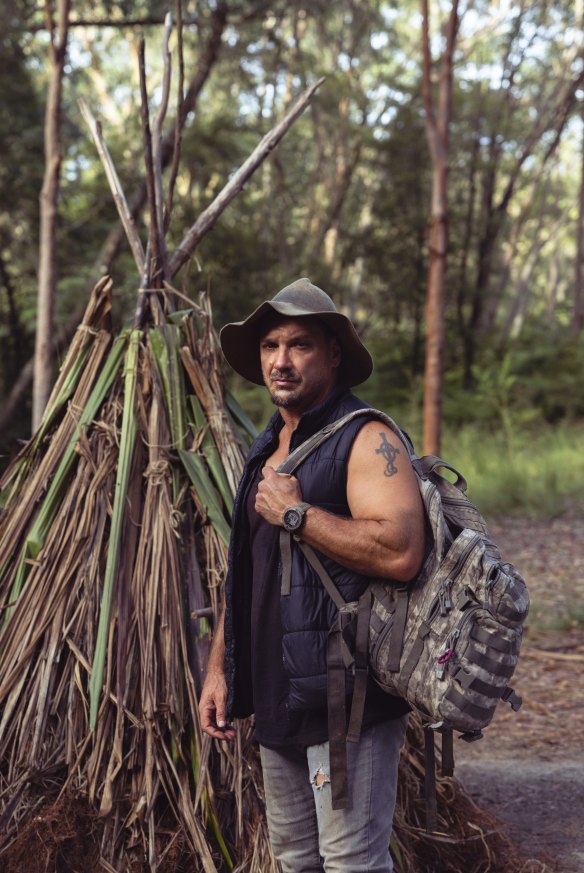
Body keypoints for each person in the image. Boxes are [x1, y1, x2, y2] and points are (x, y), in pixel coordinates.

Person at [199, 278, 426, 873]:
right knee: (296, 858)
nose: (280, 360)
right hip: (279, 694)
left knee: (350, 862)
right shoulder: (266, 445)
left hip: (344, 698)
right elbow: (248, 569)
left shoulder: (367, 436)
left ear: (332, 354)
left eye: (298, 344)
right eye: (270, 346)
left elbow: (402, 548)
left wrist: (298, 515)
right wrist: (222, 665)